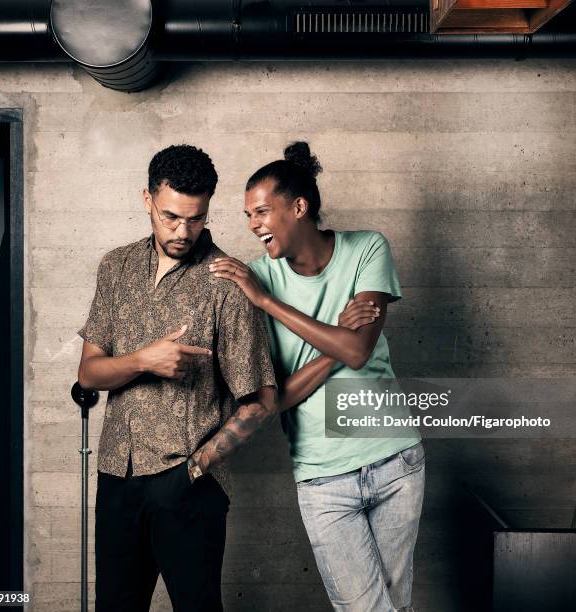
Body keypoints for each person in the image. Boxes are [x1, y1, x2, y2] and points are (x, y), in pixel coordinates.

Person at [209, 142, 425, 612]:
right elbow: (275, 399)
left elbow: (359, 347)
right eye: (248, 215)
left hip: (394, 461)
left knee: (396, 606)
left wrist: (270, 304)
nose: (252, 225)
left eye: (262, 211)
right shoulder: (254, 281)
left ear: (299, 207)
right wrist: (334, 345)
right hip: (323, 478)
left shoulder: (368, 247)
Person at [77, 144, 277, 612]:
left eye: (196, 219)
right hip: (116, 475)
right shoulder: (116, 267)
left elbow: (261, 401)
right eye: (170, 217)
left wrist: (192, 470)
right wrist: (145, 360)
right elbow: (89, 374)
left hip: (186, 485)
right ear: (147, 199)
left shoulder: (227, 283)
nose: (183, 231)